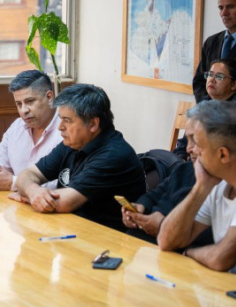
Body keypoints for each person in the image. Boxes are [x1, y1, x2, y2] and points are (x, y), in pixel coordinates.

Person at [158, 101, 236, 284]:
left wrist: (188, 252)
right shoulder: (218, 180)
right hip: (230, 292)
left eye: (195, 141)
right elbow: (167, 240)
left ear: (223, 154)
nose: (188, 149)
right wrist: (200, 188)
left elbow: (220, 258)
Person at [11, 84, 146, 231]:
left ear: (93, 124)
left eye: (67, 120)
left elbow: (64, 203)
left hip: (108, 240)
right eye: (60, 119)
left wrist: (27, 195)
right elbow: (27, 174)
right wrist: (33, 191)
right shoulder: (72, 143)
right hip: (73, 229)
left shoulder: (113, 155)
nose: (60, 127)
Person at [123, 119, 212, 249]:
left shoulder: (219, 183)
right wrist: (140, 207)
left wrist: (161, 226)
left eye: (195, 140)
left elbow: (204, 236)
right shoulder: (183, 169)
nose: (188, 149)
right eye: (187, 140)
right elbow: (153, 195)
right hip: (140, 242)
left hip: (171, 250)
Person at [0, 70, 62, 191]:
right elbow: (0, 167)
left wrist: (14, 182)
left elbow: (62, 185)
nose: (24, 110)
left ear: (49, 97)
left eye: (30, 101)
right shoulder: (17, 127)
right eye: (19, 104)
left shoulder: (66, 130)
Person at [175, 59, 236, 159]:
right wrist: (180, 160)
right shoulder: (203, 106)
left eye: (219, 76)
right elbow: (184, 144)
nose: (212, 79)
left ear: (234, 84)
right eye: (210, 74)